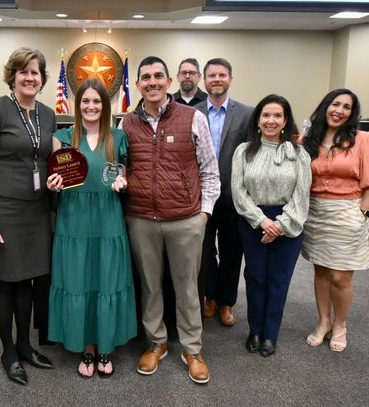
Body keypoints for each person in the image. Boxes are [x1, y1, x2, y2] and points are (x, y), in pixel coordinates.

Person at [122, 56, 220, 384]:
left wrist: (203, 215)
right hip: (140, 219)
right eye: (145, 77)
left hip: (185, 219)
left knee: (187, 288)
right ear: (138, 84)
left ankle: (192, 348)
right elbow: (121, 167)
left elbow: (210, 170)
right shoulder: (126, 123)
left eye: (158, 76)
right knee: (150, 286)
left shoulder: (193, 117)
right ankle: (157, 342)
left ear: (168, 81)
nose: (152, 82)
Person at [0, 47, 55, 386]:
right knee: (7, 281)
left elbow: (49, 157)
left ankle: (25, 345)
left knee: (30, 280)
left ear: (42, 78)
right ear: (13, 76)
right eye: (23, 71)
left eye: (35, 72)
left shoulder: (47, 114)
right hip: (2, 211)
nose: (30, 77)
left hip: (36, 211)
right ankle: (8, 352)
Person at [47, 78, 137, 378]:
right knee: (78, 282)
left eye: (97, 101)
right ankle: (87, 349)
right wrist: (53, 185)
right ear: (77, 105)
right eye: (85, 101)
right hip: (74, 221)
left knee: (107, 280)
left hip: (108, 221)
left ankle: (105, 346)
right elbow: (56, 178)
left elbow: (121, 171)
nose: (91, 106)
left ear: (105, 105)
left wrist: (122, 181)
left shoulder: (118, 137)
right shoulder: (62, 136)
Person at [231, 94, 311, 357]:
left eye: (277, 116)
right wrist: (262, 221)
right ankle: (254, 330)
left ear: (285, 120)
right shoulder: (243, 151)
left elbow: (302, 195)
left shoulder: (299, 153)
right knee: (255, 277)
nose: (271, 120)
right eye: (266, 115)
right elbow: (238, 192)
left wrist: (280, 225)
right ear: (258, 120)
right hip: (253, 221)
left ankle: (270, 334)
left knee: (278, 280)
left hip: (288, 223)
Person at [301, 89, 369, 352]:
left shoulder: (362, 139)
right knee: (321, 271)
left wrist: (362, 213)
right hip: (316, 212)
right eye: (335, 104)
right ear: (325, 106)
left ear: (352, 114)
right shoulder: (309, 139)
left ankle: (340, 324)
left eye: (347, 107)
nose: (339, 110)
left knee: (340, 276)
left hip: (348, 212)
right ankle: (324, 322)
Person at [195, 58, 253, 326]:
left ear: (230, 78)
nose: (216, 79)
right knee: (205, 253)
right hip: (201, 198)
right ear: (203, 80)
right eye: (211, 75)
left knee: (232, 252)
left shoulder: (247, 114)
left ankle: (227, 302)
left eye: (222, 75)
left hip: (234, 197)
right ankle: (210, 297)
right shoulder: (193, 113)